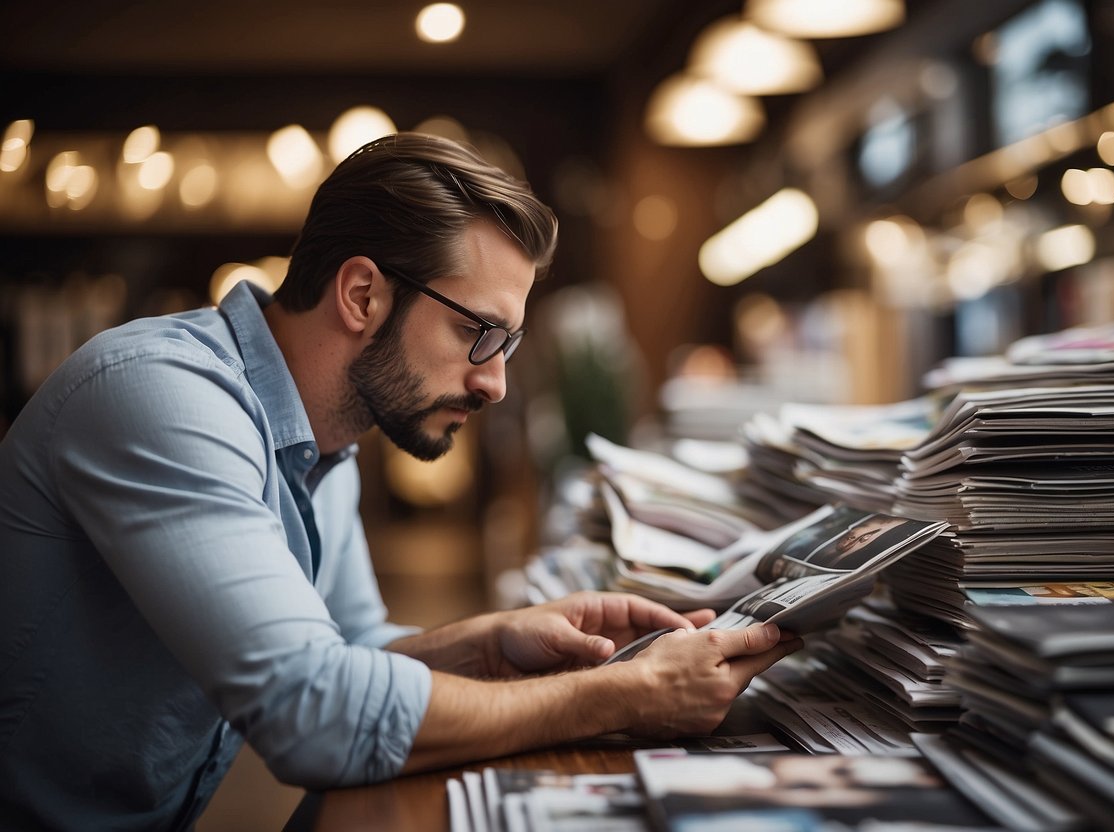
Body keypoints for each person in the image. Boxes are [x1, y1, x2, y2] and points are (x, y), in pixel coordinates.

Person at [0, 132, 801, 831]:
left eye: (505, 346)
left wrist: (495, 641)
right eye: (476, 333)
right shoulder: (160, 397)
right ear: (361, 295)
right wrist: (622, 697)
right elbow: (313, 714)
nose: (493, 386)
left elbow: (348, 655)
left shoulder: (325, 439)